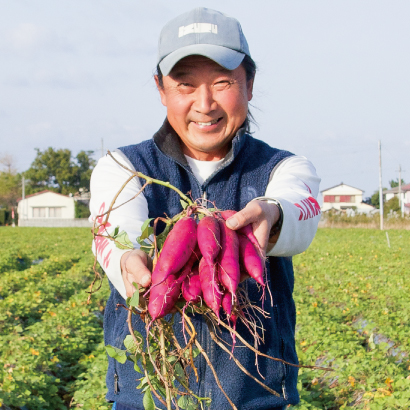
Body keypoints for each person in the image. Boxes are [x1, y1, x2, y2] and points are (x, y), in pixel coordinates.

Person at [90, 7, 321, 410]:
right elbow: (116, 229)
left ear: (249, 85)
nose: (205, 103)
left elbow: (300, 206)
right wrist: (128, 259)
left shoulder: (284, 168)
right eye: (185, 85)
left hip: (255, 399)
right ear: (161, 90)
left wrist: (271, 213)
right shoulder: (122, 168)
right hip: (149, 398)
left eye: (222, 82)